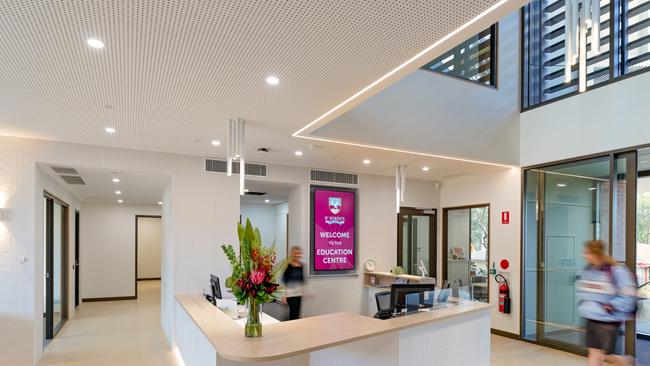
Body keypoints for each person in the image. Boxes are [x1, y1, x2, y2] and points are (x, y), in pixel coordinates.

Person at [577, 240, 637, 366]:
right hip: (591, 319)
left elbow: (629, 295)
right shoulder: (588, 269)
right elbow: (585, 291)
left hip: (608, 321)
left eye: (587, 252)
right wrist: (585, 306)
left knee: (600, 355)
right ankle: (626, 361)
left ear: (596, 253)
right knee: (597, 354)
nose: (584, 255)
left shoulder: (616, 271)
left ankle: (627, 361)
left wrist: (611, 306)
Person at [282, 246, 305, 320]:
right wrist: (284, 295)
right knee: (293, 313)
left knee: (297, 313)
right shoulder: (289, 266)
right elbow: (284, 280)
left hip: (299, 294)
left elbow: (302, 280)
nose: (297, 255)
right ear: (292, 254)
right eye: (296, 253)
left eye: (299, 253)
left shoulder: (302, 266)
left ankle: (296, 328)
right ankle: (292, 328)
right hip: (290, 294)